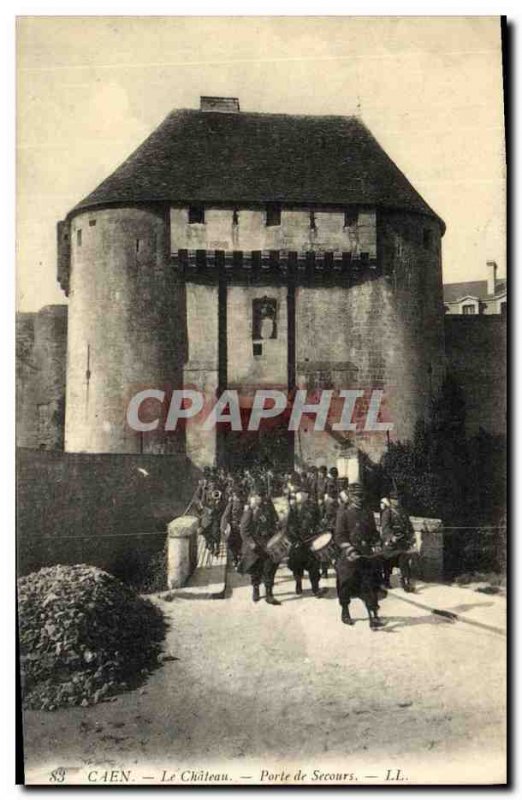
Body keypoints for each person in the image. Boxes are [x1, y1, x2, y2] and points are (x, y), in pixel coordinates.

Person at [334, 482, 385, 629]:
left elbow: (374, 532)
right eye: (356, 496)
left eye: (362, 496)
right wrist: (350, 549)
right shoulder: (343, 512)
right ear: (350, 496)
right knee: (346, 583)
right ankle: (345, 610)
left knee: (369, 584)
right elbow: (339, 536)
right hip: (349, 554)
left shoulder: (367, 511)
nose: (360, 499)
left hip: (365, 553)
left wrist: (376, 542)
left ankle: (373, 616)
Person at [239, 484, 282, 605]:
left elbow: (275, 520)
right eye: (258, 496)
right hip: (256, 545)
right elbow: (244, 530)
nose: (261, 498)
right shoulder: (249, 511)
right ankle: (256, 590)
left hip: (268, 543)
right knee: (256, 570)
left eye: (262, 496)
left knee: (270, 569)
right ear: (253, 497)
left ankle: (269, 594)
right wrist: (252, 544)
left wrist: (276, 529)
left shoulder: (269, 507)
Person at [284, 481, 325, 597]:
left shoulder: (313, 506)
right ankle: (298, 584)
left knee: (314, 566)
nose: (301, 495)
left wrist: (318, 535)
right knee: (297, 566)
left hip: (310, 541)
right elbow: (288, 526)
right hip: (297, 542)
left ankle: (315, 589)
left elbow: (318, 523)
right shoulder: (292, 509)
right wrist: (294, 540)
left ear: (307, 495)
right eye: (299, 492)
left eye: (303, 492)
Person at [380, 490, 416, 592]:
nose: (397, 501)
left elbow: (408, 526)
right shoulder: (387, 512)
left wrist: (411, 536)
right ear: (391, 500)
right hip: (391, 544)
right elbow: (385, 528)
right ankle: (386, 580)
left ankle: (406, 582)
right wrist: (391, 537)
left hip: (402, 542)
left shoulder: (403, 512)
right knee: (388, 563)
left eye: (398, 499)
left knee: (404, 560)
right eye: (395, 499)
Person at [221, 482, 246, 568]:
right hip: (234, 527)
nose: (237, 497)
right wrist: (224, 528)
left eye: (237, 495)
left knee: (240, 544)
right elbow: (225, 515)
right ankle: (236, 559)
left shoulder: (244, 503)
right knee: (233, 544)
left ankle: (238, 559)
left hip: (241, 526)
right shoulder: (232, 504)